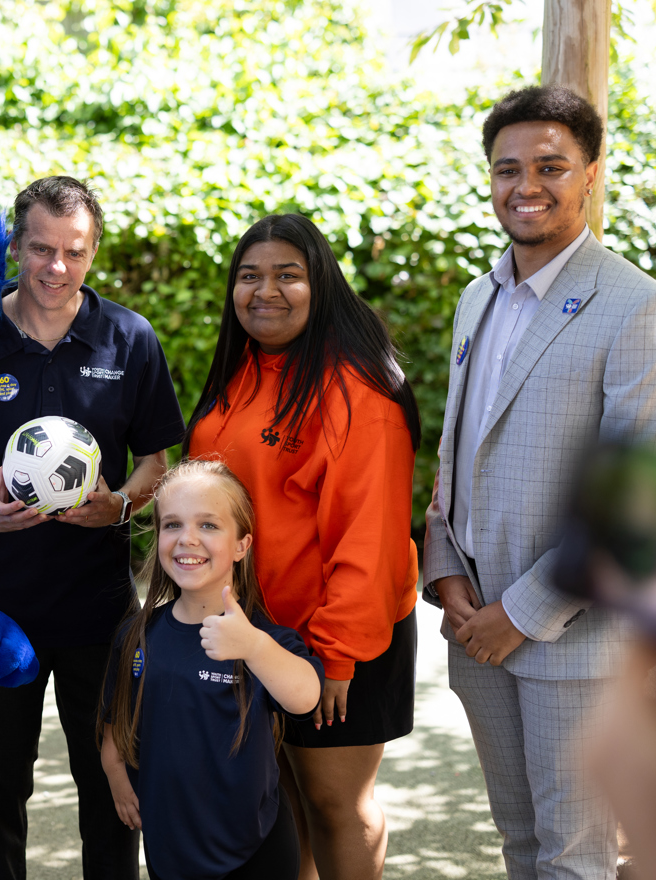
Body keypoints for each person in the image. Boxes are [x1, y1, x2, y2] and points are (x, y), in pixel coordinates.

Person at [423, 85, 656, 879]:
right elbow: (457, 453)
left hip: (576, 640)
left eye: (550, 166)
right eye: (507, 169)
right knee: (522, 847)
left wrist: (521, 615)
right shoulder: (475, 298)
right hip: (476, 630)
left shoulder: (638, 306)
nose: (525, 185)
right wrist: (444, 569)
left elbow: (634, 495)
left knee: (576, 859)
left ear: (591, 173)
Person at [0, 175, 186, 880]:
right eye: (41, 249)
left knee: (109, 777)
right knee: (0, 784)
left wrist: (120, 507)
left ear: (93, 252)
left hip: (96, 608)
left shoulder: (129, 339)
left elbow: (158, 462)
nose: (56, 268)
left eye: (74, 252)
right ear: (15, 244)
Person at [186, 213, 421, 880]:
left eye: (288, 275)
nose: (266, 291)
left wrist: (336, 657)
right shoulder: (242, 374)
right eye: (250, 276)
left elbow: (369, 536)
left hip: (337, 642)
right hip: (256, 633)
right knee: (282, 802)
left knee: (335, 803)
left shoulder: (358, 392)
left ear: (321, 286)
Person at [99, 459, 324, 880]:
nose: (187, 539)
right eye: (172, 525)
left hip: (257, 851)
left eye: (208, 526)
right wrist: (115, 772)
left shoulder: (264, 638)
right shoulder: (137, 634)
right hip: (170, 850)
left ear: (242, 544)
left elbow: (306, 696)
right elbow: (116, 717)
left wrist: (253, 646)